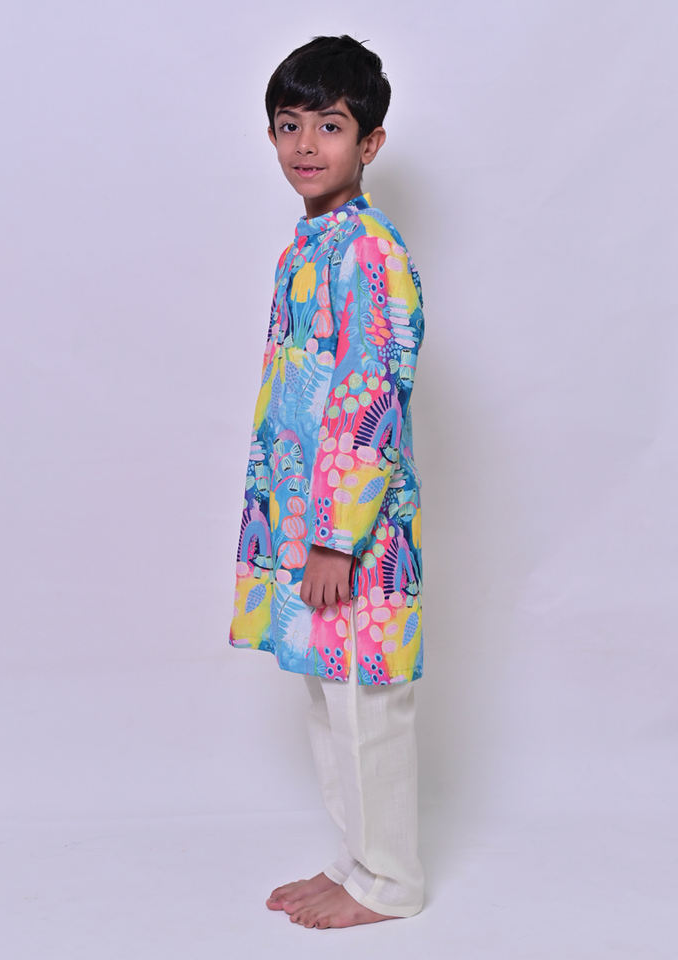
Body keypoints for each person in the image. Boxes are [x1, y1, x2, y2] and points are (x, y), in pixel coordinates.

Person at [228, 34, 426, 929]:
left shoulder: (368, 251)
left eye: (331, 125)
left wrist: (336, 537)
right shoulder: (308, 248)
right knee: (330, 696)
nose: (306, 144)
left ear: (370, 142)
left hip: (352, 535)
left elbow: (369, 392)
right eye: (289, 124)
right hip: (306, 524)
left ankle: (389, 883)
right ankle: (357, 861)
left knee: (365, 705)